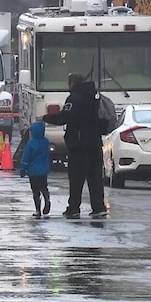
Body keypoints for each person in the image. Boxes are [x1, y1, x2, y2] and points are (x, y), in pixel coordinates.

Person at [41, 72, 107, 219]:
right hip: (95, 143)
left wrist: (45, 118)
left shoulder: (74, 98)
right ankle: (98, 207)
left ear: (72, 83)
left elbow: (65, 117)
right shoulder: (95, 96)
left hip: (79, 145)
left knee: (76, 178)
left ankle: (73, 208)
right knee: (95, 177)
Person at [20, 121, 51, 218]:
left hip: (33, 172)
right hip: (43, 171)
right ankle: (47, 199)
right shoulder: (46, 142)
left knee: (35, 191)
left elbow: (26, 158)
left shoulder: (30, 144)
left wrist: (23, 169)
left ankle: (38, 210)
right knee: (44, 187)